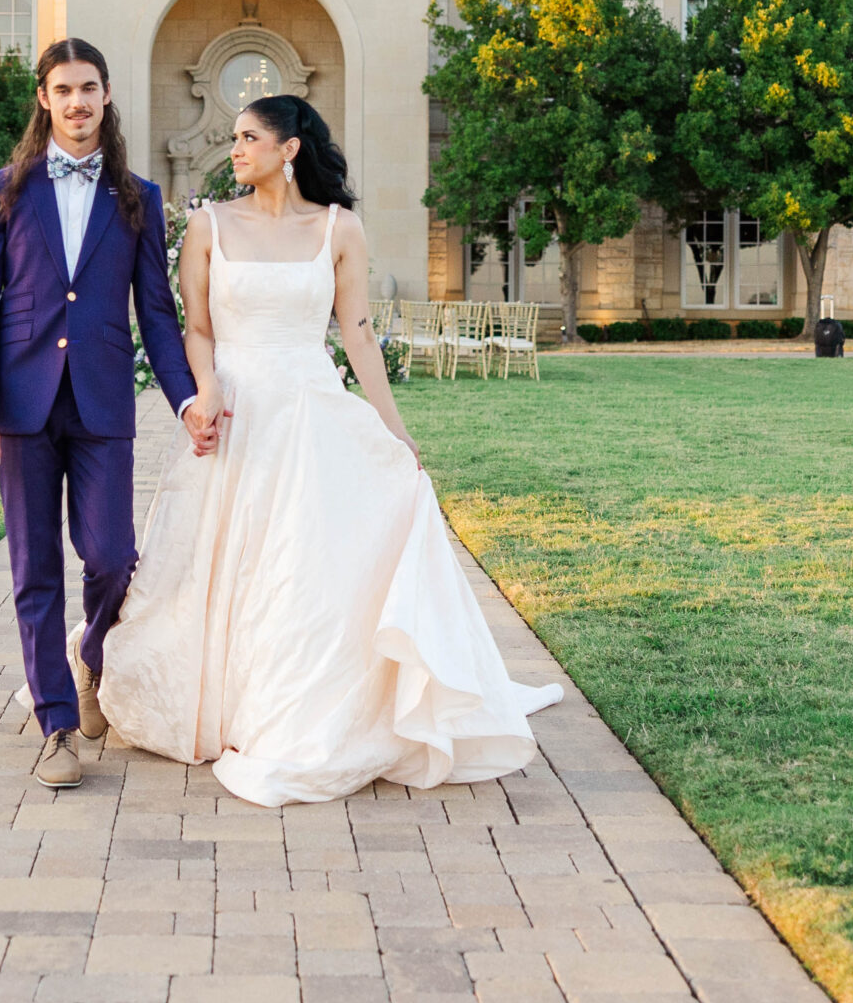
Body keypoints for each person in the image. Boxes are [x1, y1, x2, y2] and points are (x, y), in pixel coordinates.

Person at [98, 97, 563, 806]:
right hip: (239, 414)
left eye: (250, 137)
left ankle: (293, 709)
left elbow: (359, 336)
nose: (235, 149)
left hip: (310, 412)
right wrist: (205, 388)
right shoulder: (207, 224)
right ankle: (219, 703)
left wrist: (395, 431)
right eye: (233, 138)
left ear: (289, 148)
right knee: (228, 564)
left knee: (301, 572)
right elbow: (195, 326)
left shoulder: (340, 229)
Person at [0, 38, 215, 789]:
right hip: (21, 405)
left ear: (107, 96)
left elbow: (158, 314)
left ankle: (91, 655)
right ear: (44, 98)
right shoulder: (2, 189)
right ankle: (58, 725)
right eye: (63, 89)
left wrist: (189, 397)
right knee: (34, 568)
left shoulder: (137, 197)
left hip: (103, 400)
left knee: (110, 556)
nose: (77, 102)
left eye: (89, 88)